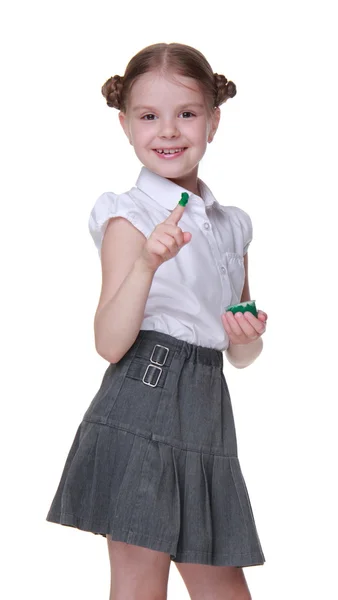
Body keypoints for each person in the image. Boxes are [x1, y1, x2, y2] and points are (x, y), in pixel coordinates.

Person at [46, 42, 268, 600]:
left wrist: (247, 338)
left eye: (186, 114)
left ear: (213, 120)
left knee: (221, 583)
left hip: (207, 407)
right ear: (125, 124)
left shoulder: (232, 225)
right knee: (141, 580)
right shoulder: (129, 216)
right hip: (142, 397)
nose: (168, 131)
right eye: (149, 116)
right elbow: (109, 342)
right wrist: (147, 261)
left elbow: (238, 351)